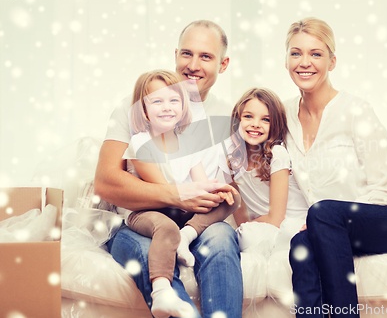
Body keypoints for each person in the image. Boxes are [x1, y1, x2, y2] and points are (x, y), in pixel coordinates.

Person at [284, 17, 387, 318]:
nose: (305, 62)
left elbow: (385, 188)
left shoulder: (356, 110)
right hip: (332, 225)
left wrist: (328, 220)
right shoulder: (283, 115)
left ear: (333, 61)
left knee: (322, 212)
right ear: (286, 59)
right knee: (301, 243)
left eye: (316, 54)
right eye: (296, 53)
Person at [94, 20, 243, 318]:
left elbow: (233, 183)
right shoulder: (135, 106)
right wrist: (177, 195)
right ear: (175, 54)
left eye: (206, 56)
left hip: (195, 223)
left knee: (222, 241)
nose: (193, 65)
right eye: (187, 54)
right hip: (137, 223)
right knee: (150, 247)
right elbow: (106, 182)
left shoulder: (228, 117)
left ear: (223, 64)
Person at [120, 70, 240, 318]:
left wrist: (217, 192)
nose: (167, 107)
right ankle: (162, 291)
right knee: (166, 227)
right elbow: (164, 191)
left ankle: (188, 235)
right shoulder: (139, 143)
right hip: (149, 212)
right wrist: (196, 197)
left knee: (232, 198)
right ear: (143, 110)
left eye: (174, 100)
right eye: (157, 101)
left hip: (183, 212)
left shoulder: (187, 143)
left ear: (184, 107)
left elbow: (201, 183)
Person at [225, 88, 309, 253]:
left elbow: (276, 218)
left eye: (265, 119)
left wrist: (250, 227)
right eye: (248, 116)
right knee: (244, 236)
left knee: (282, 232)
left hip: (292, 223)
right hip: (263, 226)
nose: (255, 124)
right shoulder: (232, 162)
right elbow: (242, 221)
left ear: (274, 125)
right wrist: (248, 229)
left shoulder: (277, 154)